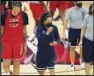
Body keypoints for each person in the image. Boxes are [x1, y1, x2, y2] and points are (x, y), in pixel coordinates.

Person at [1, 1, 28, 75]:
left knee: (17, 63)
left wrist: (25, 44)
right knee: (6, 65)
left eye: (18, 11)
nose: (16, 12)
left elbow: (24, 30)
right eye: (15, 10)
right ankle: (8, 72)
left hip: (18, 41)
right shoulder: (4, 15)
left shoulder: (24, 15)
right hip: (6, 41)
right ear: (12, 7)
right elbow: (1, 31)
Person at [62, 1, 88, 71]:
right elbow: (66, 21)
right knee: (72, 48)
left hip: (82, 31)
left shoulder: (85, 10)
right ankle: (72, 64)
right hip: (72, 31)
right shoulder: (70, 11)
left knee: (82, 46)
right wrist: (63, 32)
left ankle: (81, 60)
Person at [79, 3, 94, 75]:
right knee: (87, 60)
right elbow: (83, 29)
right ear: (91, 8)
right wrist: (81, 40)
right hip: (87, 40)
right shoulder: (87, 17)